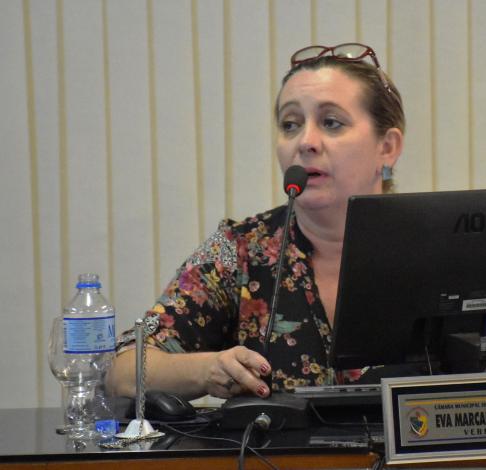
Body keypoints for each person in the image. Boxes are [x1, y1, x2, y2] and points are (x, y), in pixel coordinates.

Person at [107, 43, 405, 401]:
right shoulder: (241, 249)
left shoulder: (437, 244)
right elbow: (124, 369)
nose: (306, 142)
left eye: (331, 122)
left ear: (387, 147)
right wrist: (208, 368)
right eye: (290, 125)